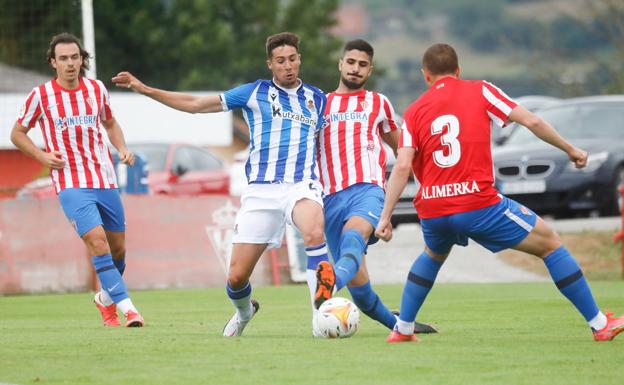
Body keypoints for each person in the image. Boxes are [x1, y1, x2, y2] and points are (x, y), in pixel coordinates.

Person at [376, 43, 624, 343]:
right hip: (477, 203)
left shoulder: (414, 111)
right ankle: (600, 324)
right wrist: (570, 149)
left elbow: (402, 165)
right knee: (550, 244)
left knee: (433, 253)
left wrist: (386, 216)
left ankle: (402, 329)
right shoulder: (480, 90)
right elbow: (532, 120)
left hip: (433, 209)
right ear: (458, 70)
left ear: (425, 75)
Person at [112, 32, 329, 337]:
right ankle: (243, 312)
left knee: (314, 230)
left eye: (292, 59)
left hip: (300, 185)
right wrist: (144, 89)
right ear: (270, 64)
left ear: (299, 59)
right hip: (261, 192)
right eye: (280, 61)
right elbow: (196, 104)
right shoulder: (254, 93)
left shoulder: (319, 99)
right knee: (237, 277)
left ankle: (322, 318)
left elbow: (333, 144)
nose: (288, 66)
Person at [10, 32, 144, 327]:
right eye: (64, 59)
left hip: (104, 178)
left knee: (118, 250)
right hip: (70, 182)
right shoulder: (40, 96)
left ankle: (105, 300)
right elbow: (17, 134)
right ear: (53, 63)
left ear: (82, 60)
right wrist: (42, 157)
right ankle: (129, 308)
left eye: (75, 57)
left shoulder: (96, 90)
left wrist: (121, 148)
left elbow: (110, 123)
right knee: (97, 242)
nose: (71, 63)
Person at [314, 39, 437, 335]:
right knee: (362, 293)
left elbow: (403, 151)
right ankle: (400, 326)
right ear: (340, 64)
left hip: (367, 190)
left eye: (363, 65)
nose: (356, 69)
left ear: (370, 70)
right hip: (329, 199)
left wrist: (425, 184)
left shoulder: (378, 103)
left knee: (354, 237)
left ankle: (330, 280)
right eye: (351, 62)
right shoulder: (319, 103)